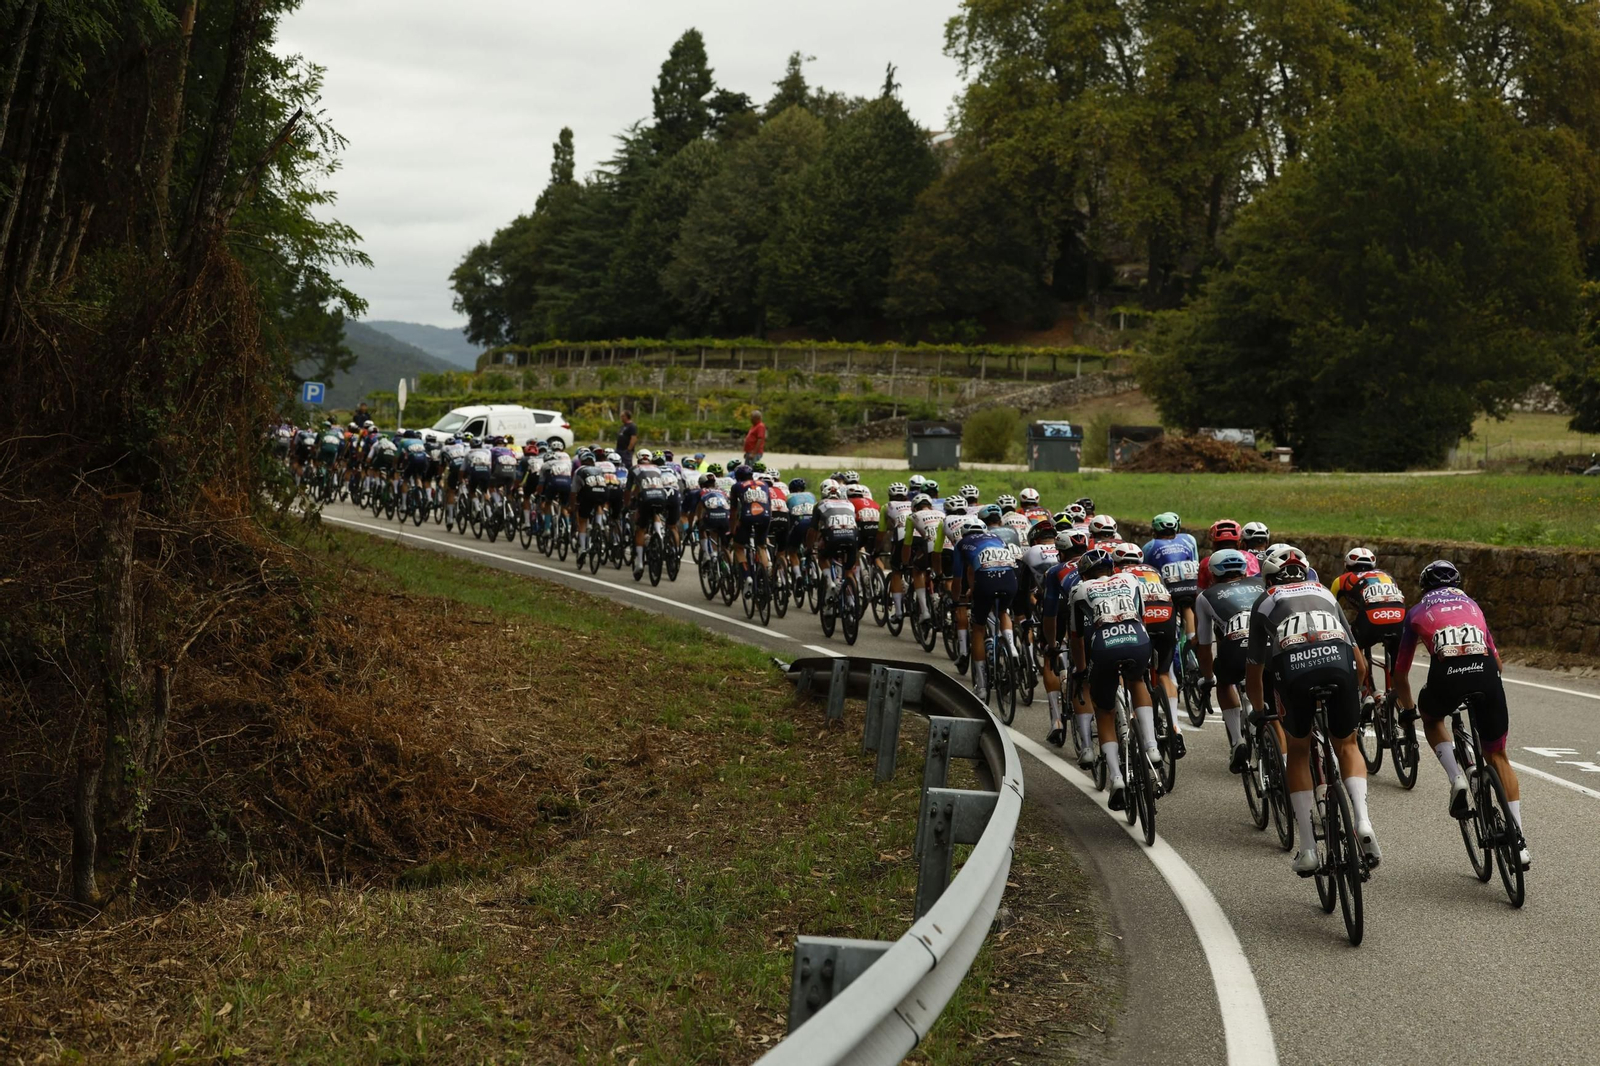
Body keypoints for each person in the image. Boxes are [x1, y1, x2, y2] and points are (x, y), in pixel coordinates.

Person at [1245, 544, 1381, 876]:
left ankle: (1307, 848)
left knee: (1298, 749)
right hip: (1338, 667)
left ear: (1269, 578)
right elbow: (1360, 664)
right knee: (1347, 744)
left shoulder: (1264, 602)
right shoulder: (1324, 593)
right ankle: (1362, 820)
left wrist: (1260, 709)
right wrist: (1354, 692)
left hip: (1294, 671)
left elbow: (1253, 668)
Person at [1392, 560, 1529, 868]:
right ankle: (1518, 841)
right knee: (1498, 756)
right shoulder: (1472, 604)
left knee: (1431, 718)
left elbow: (1400, 672)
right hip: (1485, 673)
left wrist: (1409, 710)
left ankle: (1457, 778)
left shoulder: (1415, 612)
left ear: (1425, 587)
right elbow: (1499, 662)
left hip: (1447, 675)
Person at [1068, 547, 1158, 810]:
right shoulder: (1130, 579)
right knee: (1137, 681)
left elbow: (1076, 638)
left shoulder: (1079, 591)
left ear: (1084, 575)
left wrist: (1082, 669)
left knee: (1104, 710)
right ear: (1112, 570)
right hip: (1138, 639)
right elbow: (1141, 614)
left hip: (1104, 646)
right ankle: (1152, 746)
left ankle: (1117, 778)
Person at [1193, 549, 1266, 771]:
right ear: (1244, 571)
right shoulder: (1262, 584)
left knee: (1224, 683)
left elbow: (1204, 646)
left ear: (1213, 575)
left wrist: (1208, 677)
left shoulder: (1205, 596)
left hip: (1235, 647)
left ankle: (1237, 741)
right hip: (1265, 646)